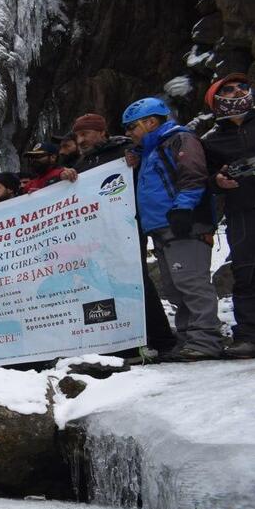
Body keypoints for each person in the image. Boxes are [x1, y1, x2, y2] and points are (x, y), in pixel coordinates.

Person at [70, 112, 176, 358]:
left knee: (136, 279)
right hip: (97, 233)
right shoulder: (82, 164)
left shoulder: (127, 151)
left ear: (101, 132)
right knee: (105, 284)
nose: (80, 140)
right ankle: (123, 341)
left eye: (85, 133)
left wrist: (136, 161)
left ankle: (162, 339)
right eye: (77, 135)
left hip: (126, 226)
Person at [124, 96, 222, 360]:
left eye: (132, 127)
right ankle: (189, 337)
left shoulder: (180, 139)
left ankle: (206, 340)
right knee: (175, 287)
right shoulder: (151, 150)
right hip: (162, 228)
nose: (129, 134)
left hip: (184, 223)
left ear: (151, 121)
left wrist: (183, 208)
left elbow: (193, 175)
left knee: (191, 282)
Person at [203, 73, 255, 357]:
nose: (238, 91)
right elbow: (202, 179)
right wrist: (217, 182)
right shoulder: (210, 140)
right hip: (242, 210)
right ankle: (249, 335)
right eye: (230, 89)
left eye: (243, 87)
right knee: (246, 271)